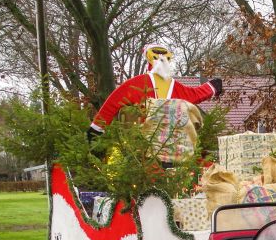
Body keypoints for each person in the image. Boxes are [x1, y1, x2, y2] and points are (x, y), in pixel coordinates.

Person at [86, 43, 223, 166]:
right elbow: (194, 95)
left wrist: (95, 131)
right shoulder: (141, 84)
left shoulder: (141, 84)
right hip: (144, 151)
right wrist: (212, 87)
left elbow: (112, 104)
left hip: (164, 151)